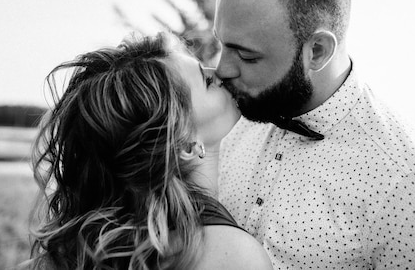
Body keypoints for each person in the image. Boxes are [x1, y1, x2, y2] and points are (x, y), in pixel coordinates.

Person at [214, 0, 415, 269]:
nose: (222, 68)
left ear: (317, 51)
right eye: (221, 44)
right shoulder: (233, 130)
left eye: (246, 55)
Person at [28, 32, 272, 270]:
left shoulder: (76, 251)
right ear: (185, 143)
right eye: (206, 82)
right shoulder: (231, 254)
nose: (220, 74)